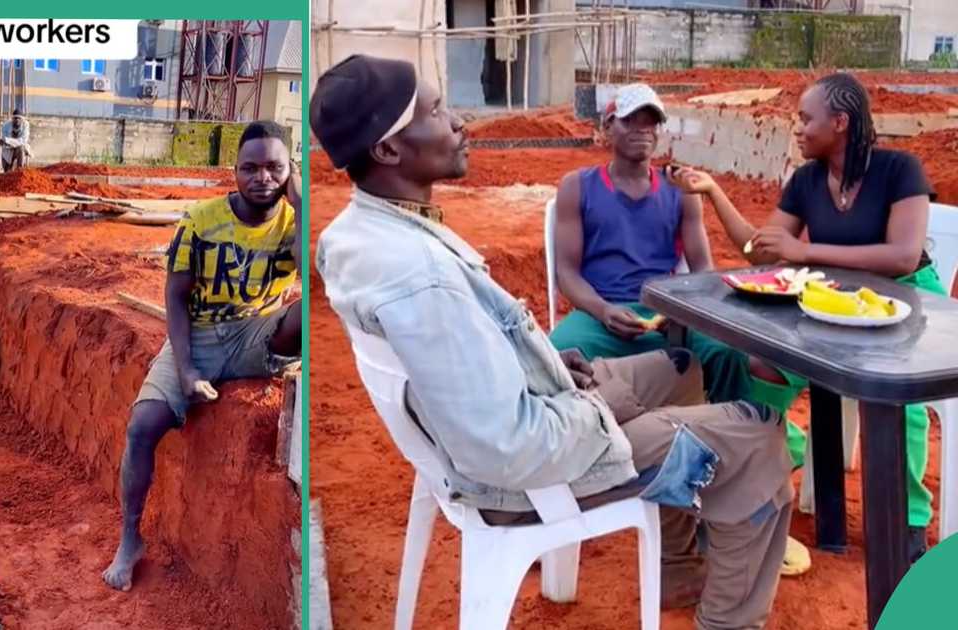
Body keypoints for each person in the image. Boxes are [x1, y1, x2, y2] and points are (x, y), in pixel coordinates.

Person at [312, 54, 794, 630]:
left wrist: (543, 363)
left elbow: (470, 354)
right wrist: (588, 407)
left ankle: (678, 561)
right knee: (762, 440)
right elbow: (505, 446)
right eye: (438, 110)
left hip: (523, 416)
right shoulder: (421, 275)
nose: (459, 121)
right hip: (526, 471)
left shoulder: (360, 232)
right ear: (388, 150)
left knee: (681, 369)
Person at [671, 72, 944, 562]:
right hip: (831, 299)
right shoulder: (807, 180)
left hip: (903, 300)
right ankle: (758, 471)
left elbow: (903, 256)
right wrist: (713, 192)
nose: (797, 129)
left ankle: (908, 520)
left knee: (894, 393)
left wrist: (806, 249)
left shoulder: (898, 170)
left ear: (839, 122)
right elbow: (763, 251)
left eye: (805, 119)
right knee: (763, 366)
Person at [548, 84, 811, 574]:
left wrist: (684, 310)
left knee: (741, 355)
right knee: (554, 360)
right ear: (607, 126)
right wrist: (605, 312)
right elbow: (568, 274)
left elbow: (701, 270)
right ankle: (556, 498)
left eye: (651, 122)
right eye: (630, 121)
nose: (643, 131)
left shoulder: (679, 191)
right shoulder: (577, 187)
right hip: (603, 311)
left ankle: (750, 472)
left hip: (669, 310)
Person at [102, 120, 302, 592]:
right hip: (200, 336)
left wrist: (302, 202)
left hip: (258, 334)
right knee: (143, 425)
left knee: (307, 311)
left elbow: (322, 276)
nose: (262, 178)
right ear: (233, 171)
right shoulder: (202, 221)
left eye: (275, 167)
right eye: (250, 168)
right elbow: (174, 298)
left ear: (290, 170)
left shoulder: (297, 223)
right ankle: (130, 539)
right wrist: (188, 367)